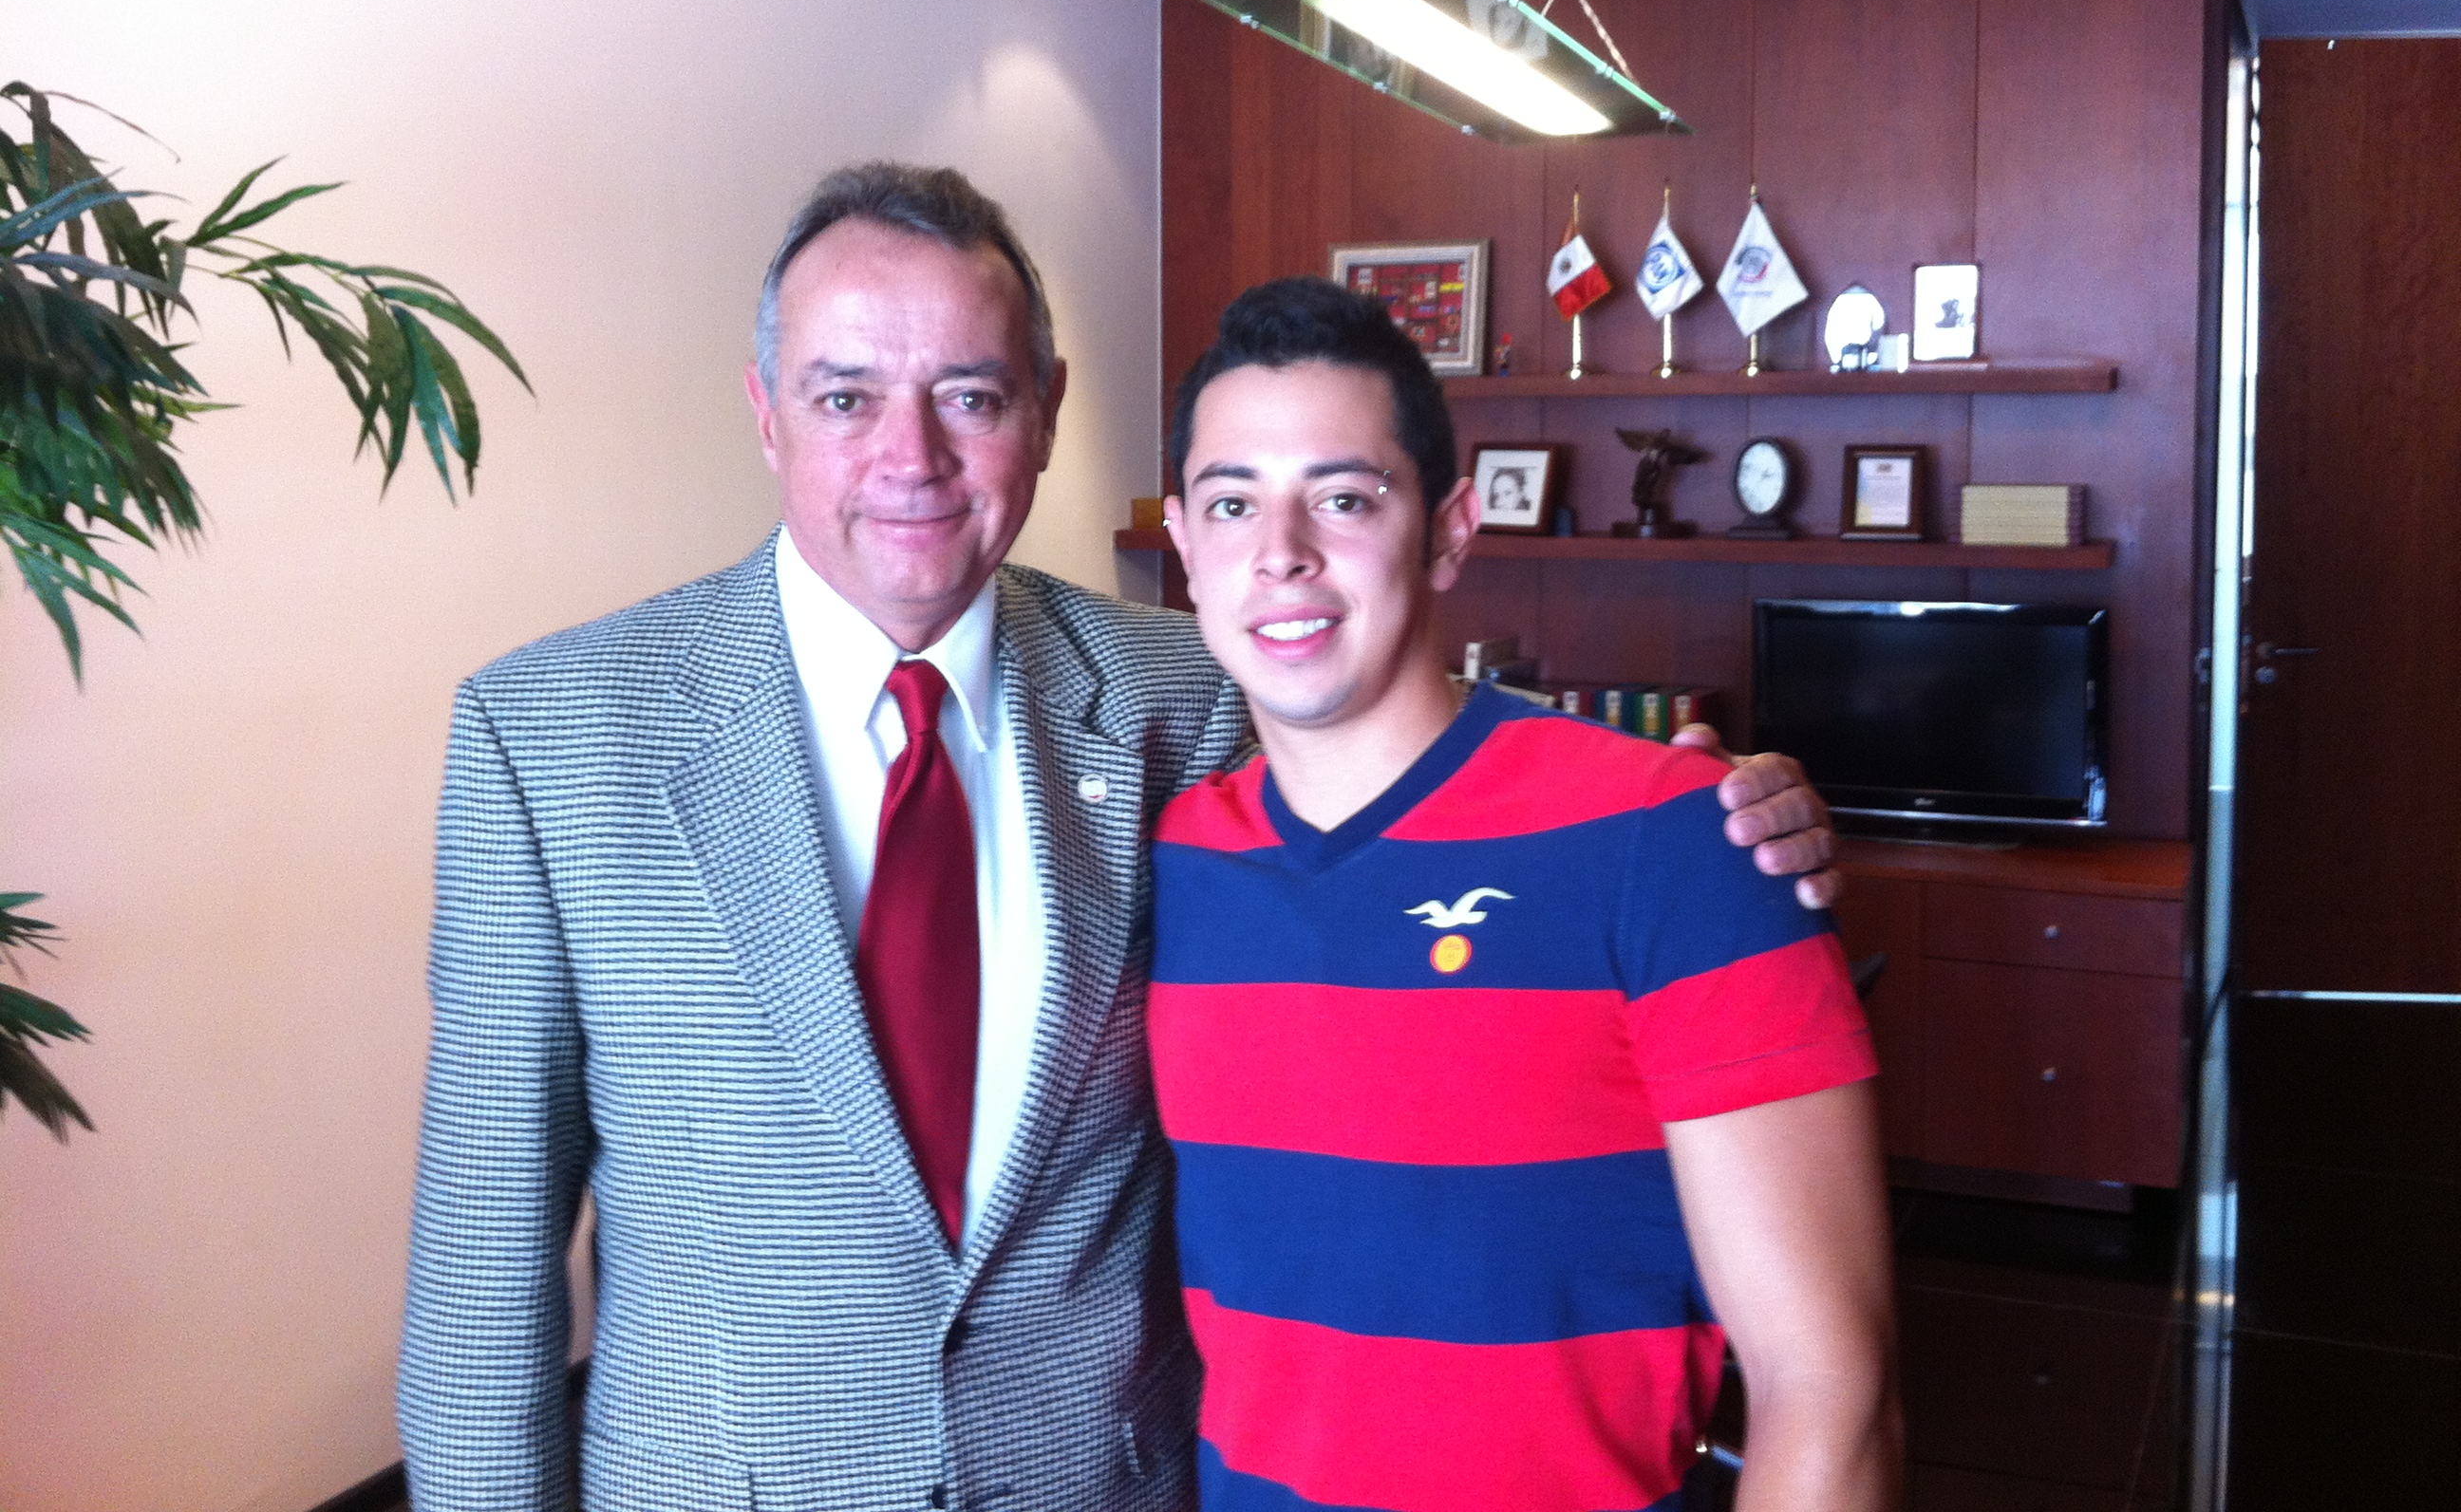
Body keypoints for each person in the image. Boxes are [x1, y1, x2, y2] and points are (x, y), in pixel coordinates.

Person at [398, 164, 1843, 1510]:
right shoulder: (555, 735)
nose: (910, 455)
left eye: (969, 394)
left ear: (1044, 410)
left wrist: (1697, 805)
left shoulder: (1180, 696)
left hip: (1104, 1478)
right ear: (767, 409)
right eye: (845, 397)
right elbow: (485, 1263)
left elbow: (1385, 715)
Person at [1149, 277, 1900, 1512]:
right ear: (1184, 543)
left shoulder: (1678, 841)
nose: (1280, 552)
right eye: (1234, 504)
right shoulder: (1173, 859)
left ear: (1448, 530)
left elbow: (1833, 1393)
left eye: (1344, 498)